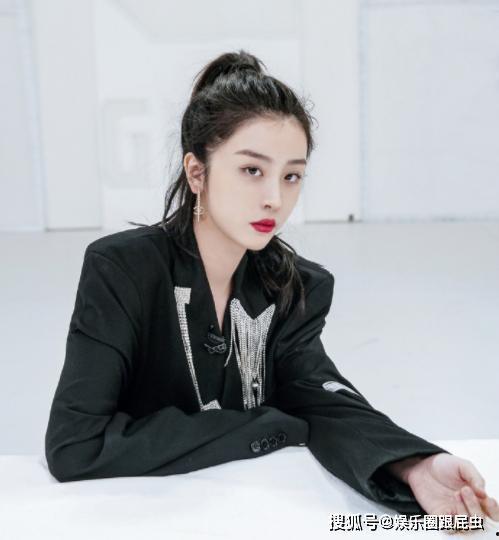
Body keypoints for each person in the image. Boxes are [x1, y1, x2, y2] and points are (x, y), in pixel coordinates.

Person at [45, 50, 499, 525]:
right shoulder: (123, 270)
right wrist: (264, 425)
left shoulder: (295, 285)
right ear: (197, 172)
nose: (275, 198)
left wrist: (415, 465)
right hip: (131, 520)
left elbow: (320, 396)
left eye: (291, 176)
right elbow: (75, 445)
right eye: (252, 170)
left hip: (252, 516)